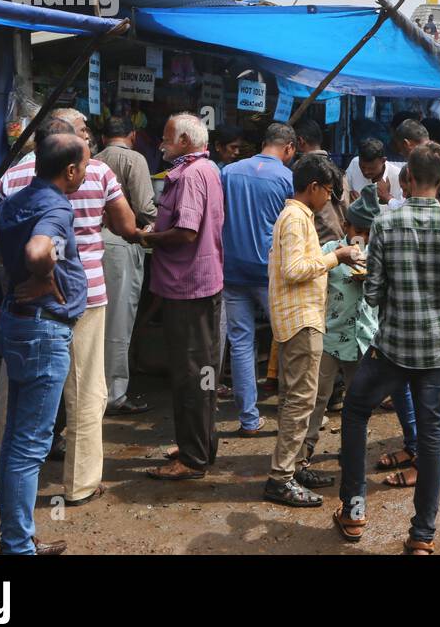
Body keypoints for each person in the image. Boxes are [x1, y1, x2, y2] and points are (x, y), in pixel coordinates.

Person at [334, 143, 440, 553]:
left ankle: (355, 509)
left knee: (356, 410)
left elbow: (374, 294)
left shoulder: (385, 223)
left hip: (392, 347)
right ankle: (422, 536)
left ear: (408, 178)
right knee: (431, 438)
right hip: (437, 350)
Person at [0, 109, 138, 507]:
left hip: (25, 299)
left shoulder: (14, 176)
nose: (87, 136)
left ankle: (6, 481)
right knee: (86, 391)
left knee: (16, 393)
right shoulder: (95, 171)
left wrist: (14, 263)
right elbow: (126, 226)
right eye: (83, 131)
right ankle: (80, 484)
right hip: (84, 294)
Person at [0, 133, 90, 555]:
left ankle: (18, 539)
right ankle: (17, 547)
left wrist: (4, 259)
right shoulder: (55, 206)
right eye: (84, 165)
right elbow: (37, 250)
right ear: (70, 171)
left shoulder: (18, 200)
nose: (85, 172)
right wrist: (40, 273)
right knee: (29, 446)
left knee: (18, 440)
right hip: (42, 331)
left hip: (21, 326)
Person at [263, 154, 362, 507]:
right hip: (300, 321)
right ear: (314, 187)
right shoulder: (294, 218)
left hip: (303, 318)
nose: (330, 200)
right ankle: (281, 478)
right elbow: (294, 269)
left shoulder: (300, 217)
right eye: (329, 192)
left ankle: (294, 467)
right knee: (300, 402)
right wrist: (337, 257)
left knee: (299, 400)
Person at [140, 113, 226, 482]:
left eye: (167, 137)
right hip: (201, 284)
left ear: (186, 142)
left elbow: (186, 231)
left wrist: (148, 237)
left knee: (191, 374)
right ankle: (201, 443)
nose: (162, 143)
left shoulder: (191, 175)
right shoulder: (208, 170)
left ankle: (192, 457)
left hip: (188, 286)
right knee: (204, 371)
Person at [299, 184, 382, 479]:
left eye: (368, 231)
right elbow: (312, 278)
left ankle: (352, 452)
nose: (363, 236)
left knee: (357, 402)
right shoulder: (328, 251)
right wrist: (338, 259)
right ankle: (302, 455)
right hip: (329, 337)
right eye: (358, 229)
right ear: (346, 226)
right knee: (317, 398)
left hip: (363, 339)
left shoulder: (378, 255)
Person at [220, 122, 296, 437]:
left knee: (240, 344)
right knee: (290, 341)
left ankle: (249, 419)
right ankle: (294, 417)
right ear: (289, 148)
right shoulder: (287, 178)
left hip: (232, 269)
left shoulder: (229, 172)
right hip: (270, 272)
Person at [96, 116, 157, 417]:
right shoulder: (135, 159)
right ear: (132, 135)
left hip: (93, 245)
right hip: (123, 242)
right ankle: (114, 395)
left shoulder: (92, 160)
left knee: (95, 323)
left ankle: (92, 390)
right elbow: (146, 208)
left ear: (102, 136)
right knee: (119, 323)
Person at [393, 118, 440, 207]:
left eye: (401, 150)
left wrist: (389, 200)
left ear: (406, 144)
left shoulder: (423, 167)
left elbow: (417, 208)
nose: (402, 155)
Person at [345, 137, 401, 204]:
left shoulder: (397, 175)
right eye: (362, 167)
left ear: (383, 161)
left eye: (371, 168)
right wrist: (348, 196)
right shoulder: (355, 163)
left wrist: (387, 198)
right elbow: (344, 189)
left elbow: (402, 208)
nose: (366, 172)